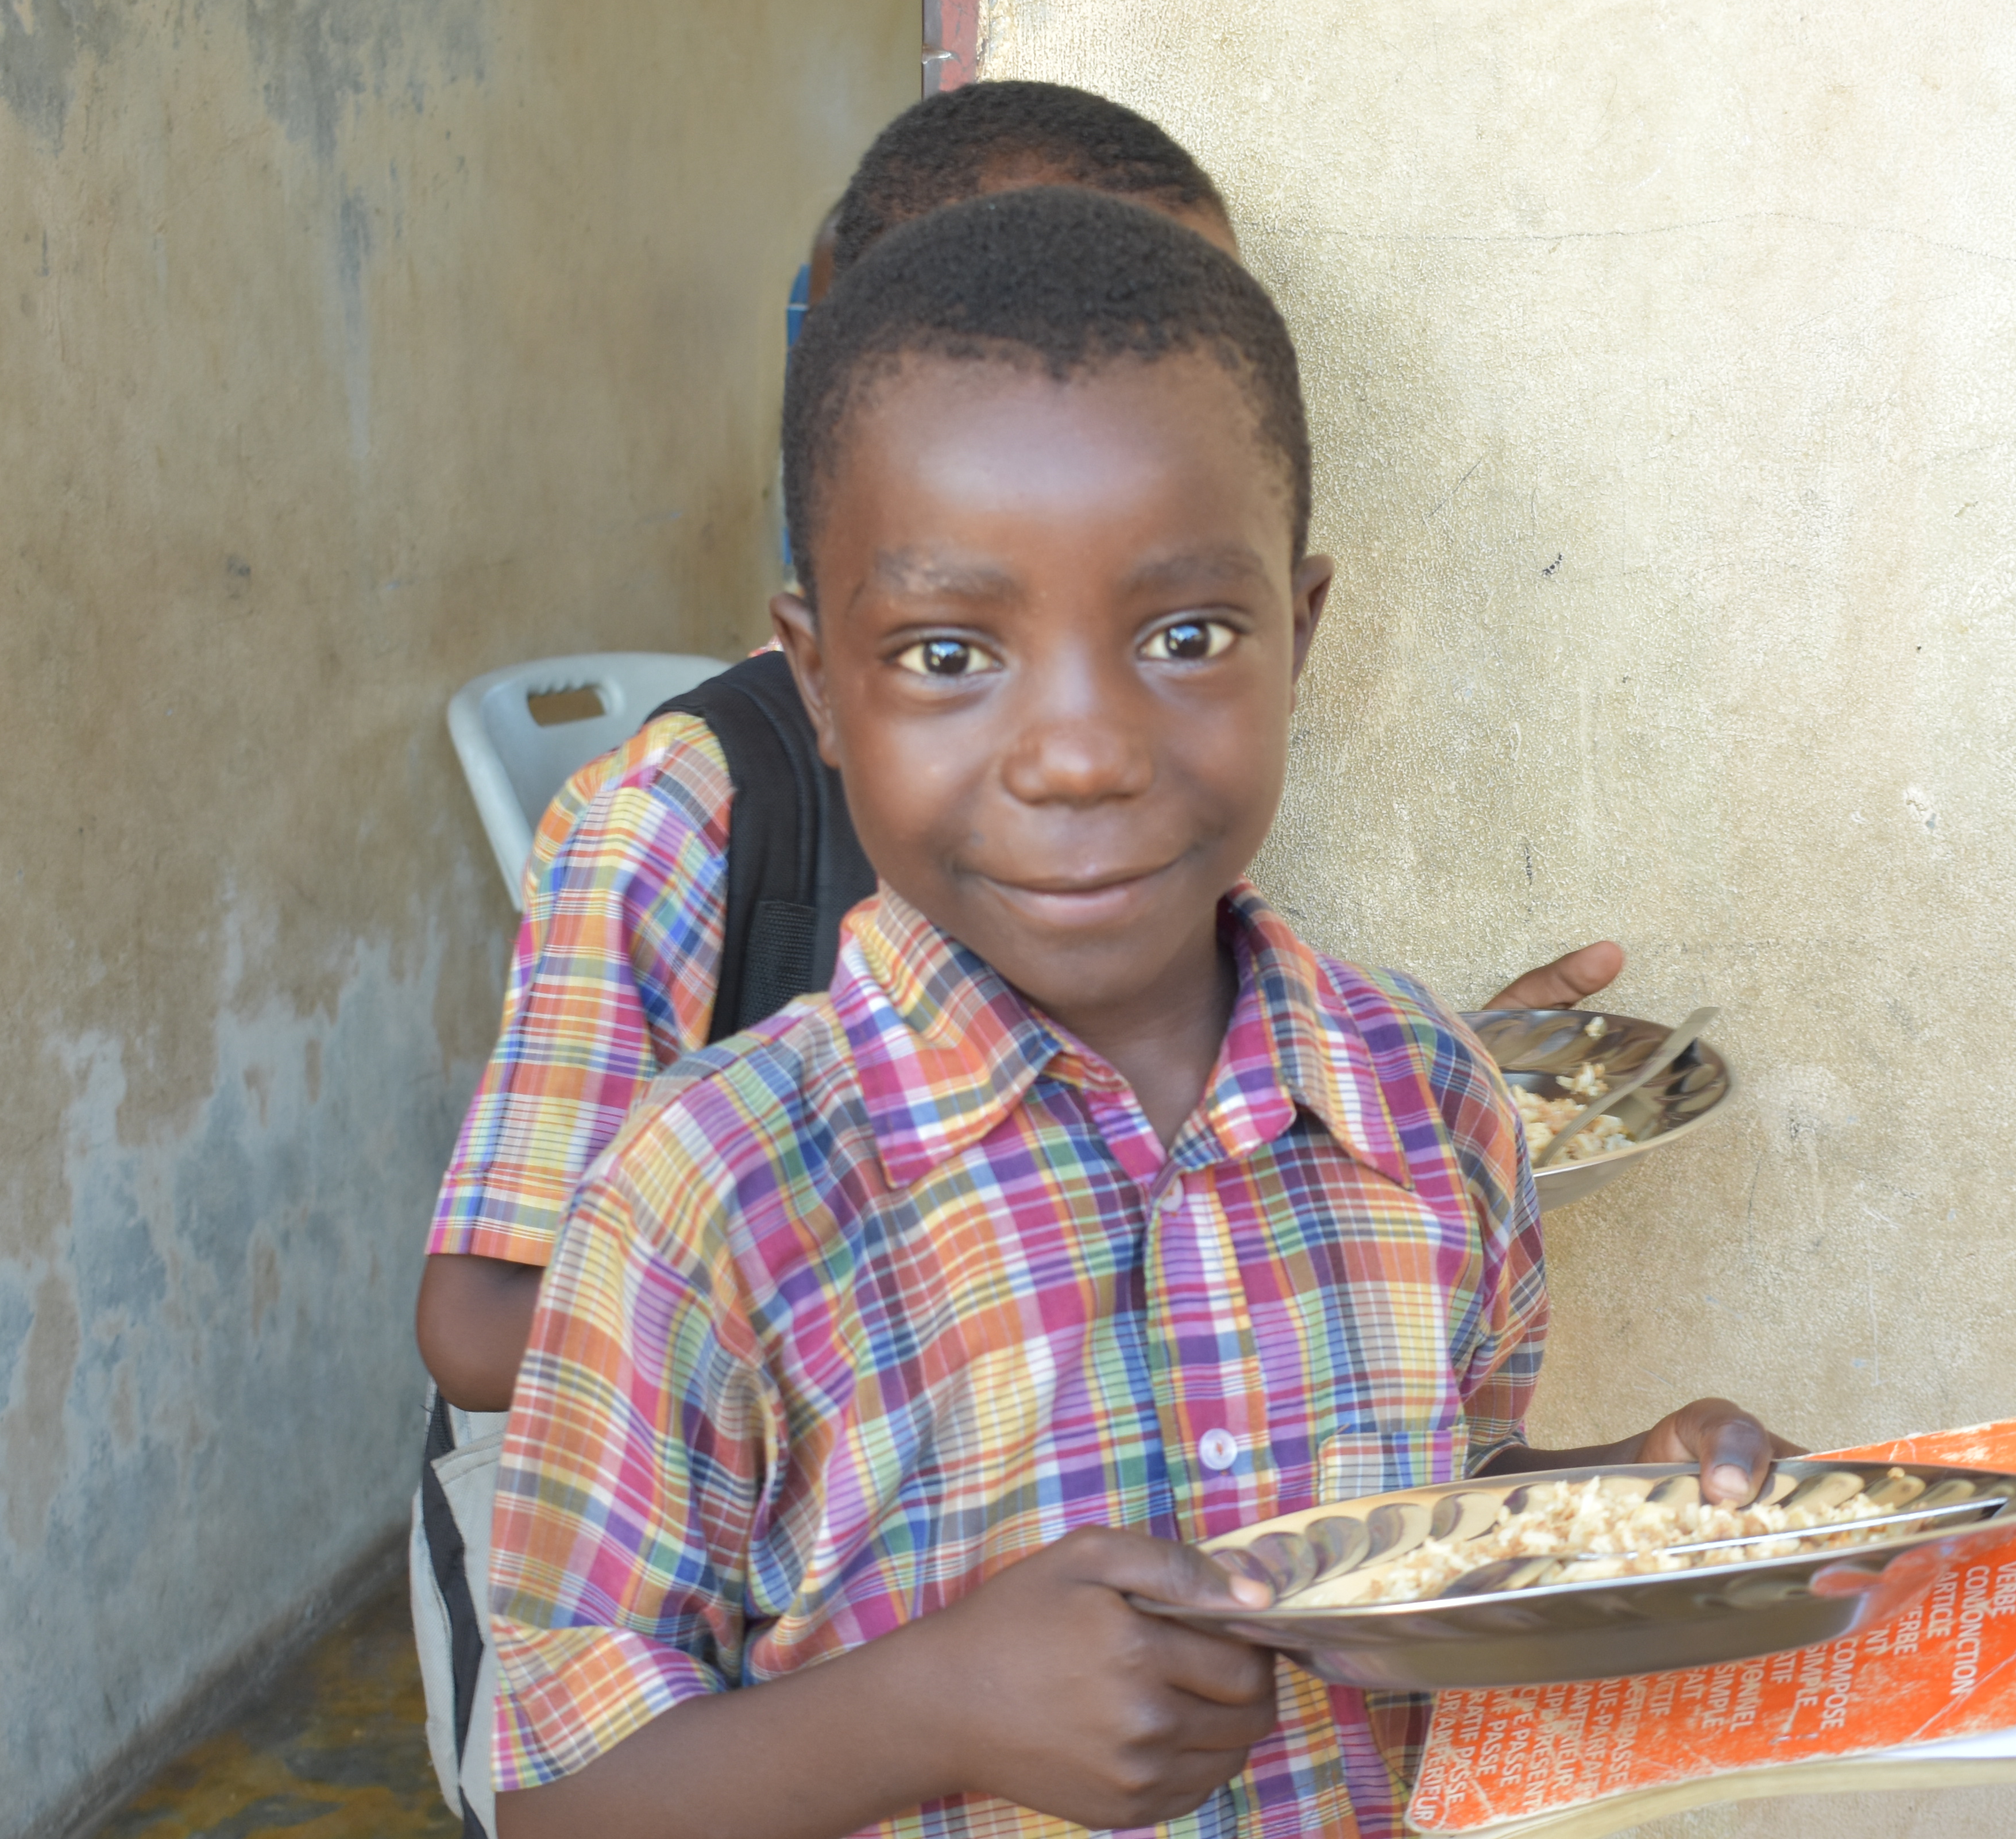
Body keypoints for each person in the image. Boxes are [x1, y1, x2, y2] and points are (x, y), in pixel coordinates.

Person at [488, 187, 1783, 1839]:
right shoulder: (716, 1190)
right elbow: (560, 1793)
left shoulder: (1425, 1105)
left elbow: (1416, 1544)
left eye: (1186, 634)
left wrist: (1620, 1524)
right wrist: (931, 1708)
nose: (1084, 747)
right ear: (813, 678)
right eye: (947, 652)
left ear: (1304, 627)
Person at [416, 82, 1625, 1413]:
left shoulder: (1162, 804)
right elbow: (480, 1332)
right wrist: (878, 1265)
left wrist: (1405, 1098)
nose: (1079, 756)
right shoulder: (690, 808)